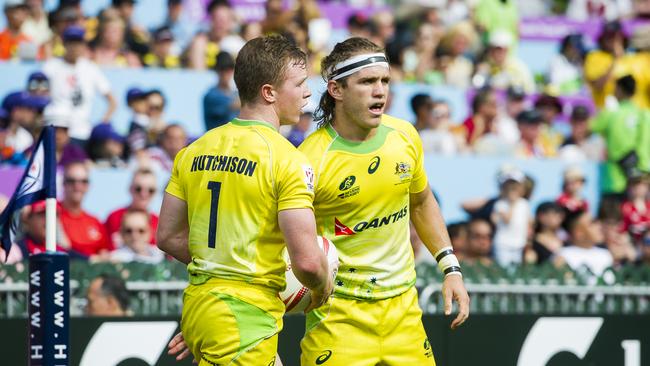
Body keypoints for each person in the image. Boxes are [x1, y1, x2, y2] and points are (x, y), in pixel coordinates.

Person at [157, 35, 333, 366]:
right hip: (243, 316)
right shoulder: (288, 160)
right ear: (269, 93)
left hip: (202, 307)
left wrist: (219, 289)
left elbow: (167, 236)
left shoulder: (194, 149)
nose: (308, 92)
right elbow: (308, 263)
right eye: (299, 84)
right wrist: (324, 287)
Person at [297, 37, 468, 365]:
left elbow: (421, 202)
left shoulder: (404, 136)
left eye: (385, 81)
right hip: (337, 319)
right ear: (336, 90)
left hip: (404, 315)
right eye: (367, 82)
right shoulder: (309, 159)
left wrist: (451, 269)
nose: (380, 91)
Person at [42, 25, 117, 144]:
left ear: (83, 45)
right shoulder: (51, 66)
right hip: (55, 130)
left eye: (78, 43)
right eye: (70, 43)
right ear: (64, 44)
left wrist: (103, 122)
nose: (74, 47)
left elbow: (112, 101)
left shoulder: (91, 69)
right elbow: (39, 94)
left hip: (81, 132)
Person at [104, 168, 159, 248]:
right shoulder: (114, 217)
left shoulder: (159, 223)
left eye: (150, 190)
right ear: (130, 189)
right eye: (138, 189)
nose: (144, 194)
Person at [203, 51, 239, 131]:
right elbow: (235, 105)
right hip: (216, 141)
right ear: (217, 71)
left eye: (229, 68)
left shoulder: (236, 94)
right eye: (222, 69)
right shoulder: (211, 96)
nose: (226, 73)